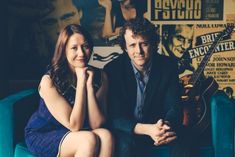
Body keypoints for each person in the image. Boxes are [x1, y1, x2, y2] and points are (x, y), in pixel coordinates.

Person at [104, 17, 190, 157]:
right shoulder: (113, 70)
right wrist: (147, 129)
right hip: (128, 130)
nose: (139, 51)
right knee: (124, 145)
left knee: (185, 140)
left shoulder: (168, 66)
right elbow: (115, 117)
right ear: (125, 48)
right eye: (132, 45)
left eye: (144, 44)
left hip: (158, 128)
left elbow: (173, 108)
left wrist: (164, 127)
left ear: (153, 43)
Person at [25, 24, 114, 157]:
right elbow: (75, 126)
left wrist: (89, 86)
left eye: (85, 46)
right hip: (45, 132)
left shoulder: (100, 76)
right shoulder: (49, 80)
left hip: (77, 133)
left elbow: (97, 124)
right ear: (64, 50)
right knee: (88, 140)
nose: (81, 53)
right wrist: (81, 82)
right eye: (74, 48)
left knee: (106, 136)